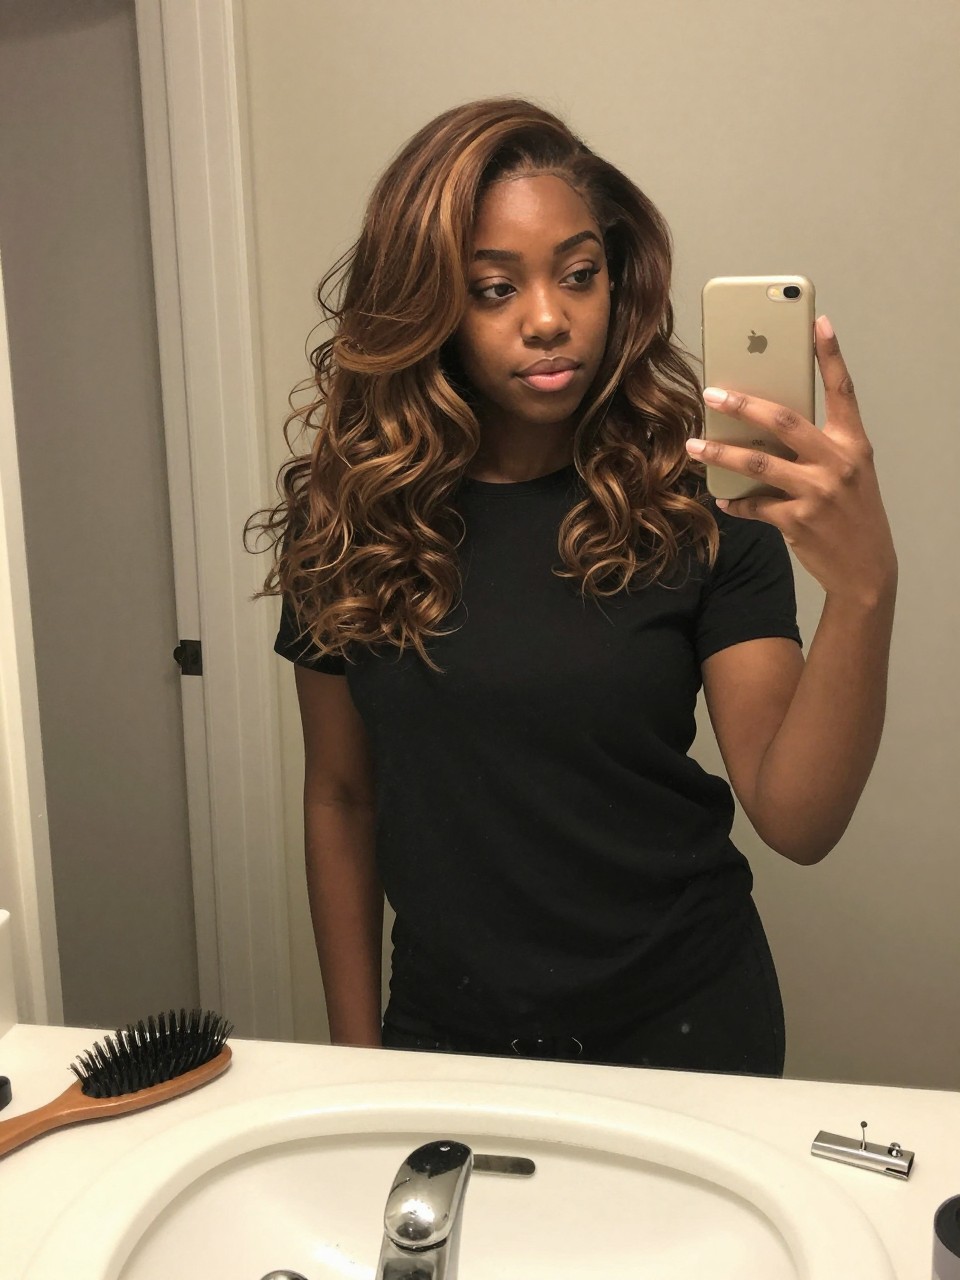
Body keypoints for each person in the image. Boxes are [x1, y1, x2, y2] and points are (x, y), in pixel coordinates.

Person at [247, 97, 897, 1077]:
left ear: (615, 278)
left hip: (685, 1029)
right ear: (429, 305)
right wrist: (356, 1059)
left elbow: (798, 818)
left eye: (579, 274)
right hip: (443, 1031)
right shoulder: (355, 517)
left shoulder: (700, 503)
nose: (549, 318)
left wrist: (865, 591)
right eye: (493, 288)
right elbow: (341, 796)